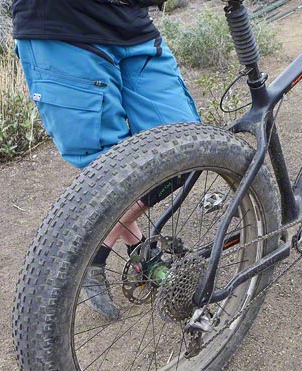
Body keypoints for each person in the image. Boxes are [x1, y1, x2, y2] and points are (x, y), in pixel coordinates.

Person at [11, 0, 200, 319]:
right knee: (108, 171)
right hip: (65, 27)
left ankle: (96, 250)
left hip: (132, 24)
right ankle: (140, 253)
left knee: (187, 151)